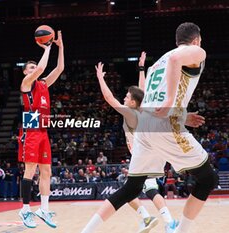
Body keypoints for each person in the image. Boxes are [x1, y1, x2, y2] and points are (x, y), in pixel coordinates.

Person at [82, 22, 218, 233]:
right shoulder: (194, 52)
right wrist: (172, 102)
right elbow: (175, 63)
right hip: (164, 127)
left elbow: (152, 104)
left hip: (145, 128)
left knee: (132, 187)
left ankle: (86, 231)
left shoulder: (158, 64)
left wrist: (181, 114)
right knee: (208, 178)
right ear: (196, 40)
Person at [17, 30, 64, 228]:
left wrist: (60, 47)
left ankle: (44, 209)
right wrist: (47, 47)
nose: (35, 68)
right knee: (30, 169)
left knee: (46, 171)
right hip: (31, 125)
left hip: (43, 129)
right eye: (31, 67)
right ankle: (25, 210)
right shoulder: (26, 83)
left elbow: (59, 68)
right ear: (26, 72)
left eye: (35, 66)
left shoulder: (43, 84)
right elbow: (44, 66)